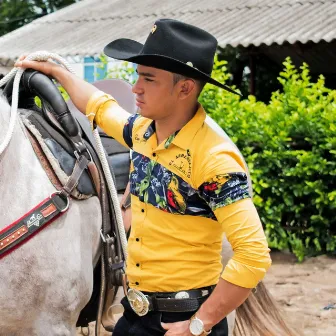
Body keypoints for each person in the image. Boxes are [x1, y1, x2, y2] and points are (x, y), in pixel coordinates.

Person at [16, 18, 272, 336]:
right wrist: (58, 72)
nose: (135, 88)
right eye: (138, 76)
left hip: (182, 321)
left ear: (185, 88)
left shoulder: (215, 160)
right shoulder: (142, 131)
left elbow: (253, 255)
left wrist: (198, 325)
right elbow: (99, 106)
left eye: (149, 79)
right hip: (137, 315)